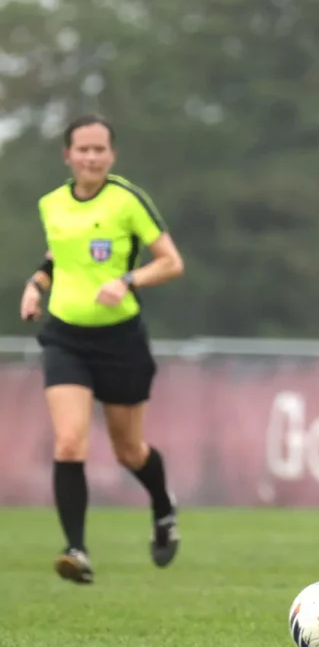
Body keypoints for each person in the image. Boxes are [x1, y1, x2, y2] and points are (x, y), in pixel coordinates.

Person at [19, 114, 185, 584]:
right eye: (83, 149)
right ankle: (77, 550)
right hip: (65, 336)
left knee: (129, 450)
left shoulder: (127, 200)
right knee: (69, 441)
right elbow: (58, 254)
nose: (91, 157)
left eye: (99, 149)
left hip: (120, 340)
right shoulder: (51, 204)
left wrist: (127, 279)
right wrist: (36, 284)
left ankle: (163, 506)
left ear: (111, 155)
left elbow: (171, 263)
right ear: (67, 155)